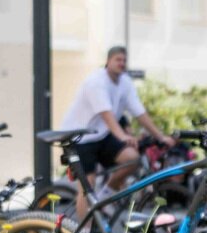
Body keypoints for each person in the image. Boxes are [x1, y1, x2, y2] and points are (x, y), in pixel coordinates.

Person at [60, 46, 173, 217]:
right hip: (79, 138)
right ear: (108, 61)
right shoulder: (96, 82)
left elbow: (139, 112)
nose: (122, 63)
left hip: (101, 135)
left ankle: (105, 196)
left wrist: (160, 136)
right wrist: (123, 136)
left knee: (132, 158)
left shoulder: (125, 82)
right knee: (87, 185)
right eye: (118, 60)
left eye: (124, 60)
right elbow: (107, 114)